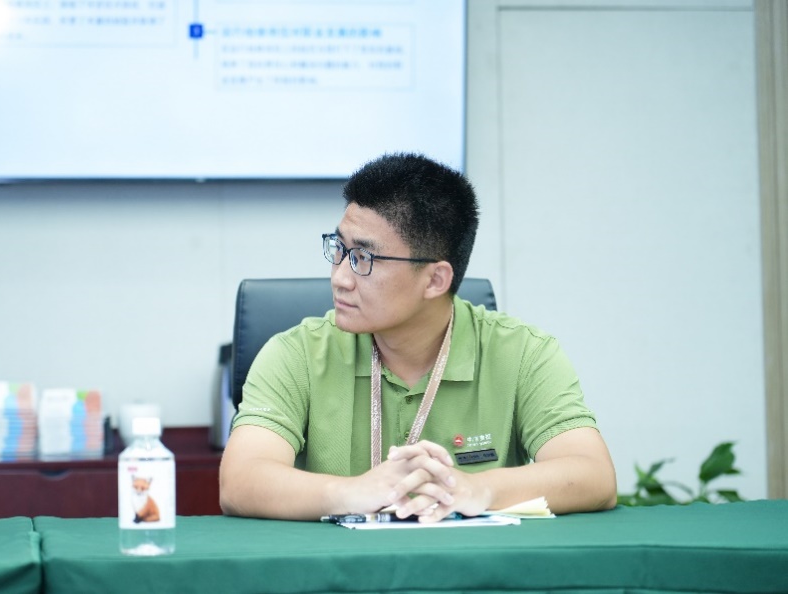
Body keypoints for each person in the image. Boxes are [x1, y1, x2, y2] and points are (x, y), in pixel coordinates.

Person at [220, 153, 617, 523]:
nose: (339, 277)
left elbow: (593, 475)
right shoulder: (296, 354)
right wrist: (352, 492)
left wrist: (476, 489)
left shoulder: (523, 353)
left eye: (363, 258)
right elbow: (239, 481)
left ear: (435, 280)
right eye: (339, 249)